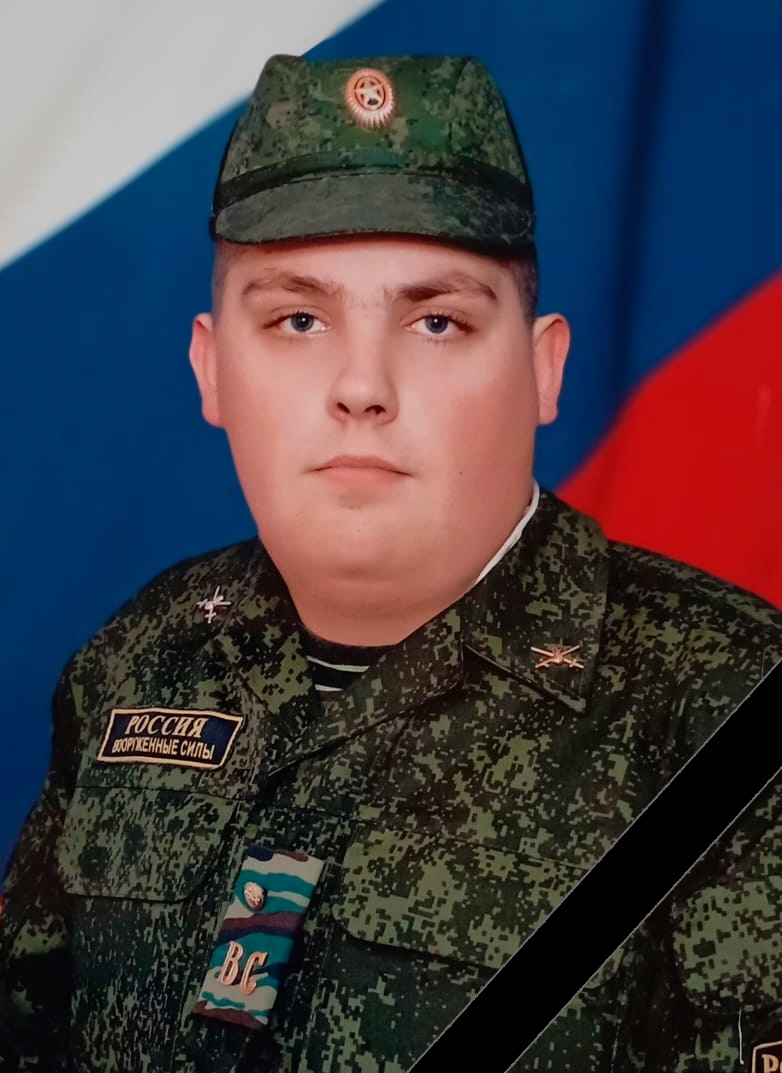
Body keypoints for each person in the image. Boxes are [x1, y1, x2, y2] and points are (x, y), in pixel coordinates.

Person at [1, 52, 780, 1073]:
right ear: (210, 367)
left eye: (436, 321)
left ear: (542, 367)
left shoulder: (726, 709)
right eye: (297, 319)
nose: (362, 385)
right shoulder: (138, 657)